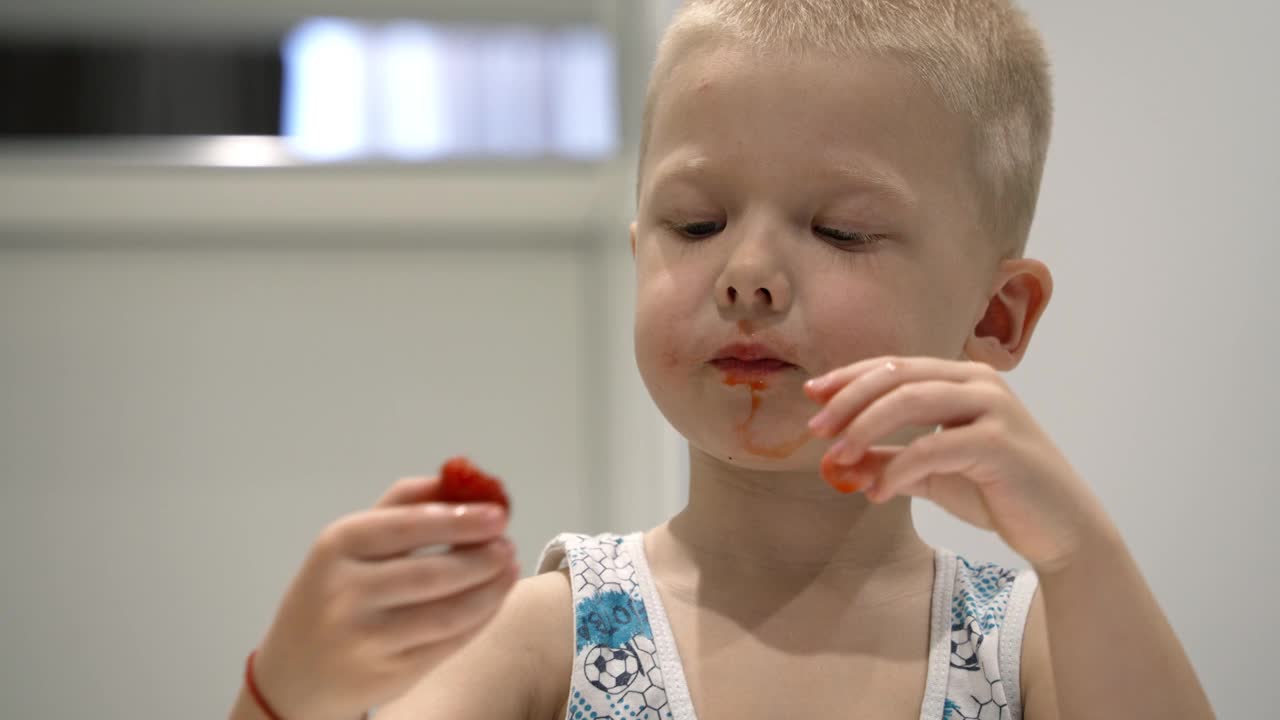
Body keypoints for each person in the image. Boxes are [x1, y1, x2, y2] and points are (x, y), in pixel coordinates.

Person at [229, 1, 1216, 718]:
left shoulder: (1029, 647)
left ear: (995, 316)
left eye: (839, 231)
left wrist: (1079, 553)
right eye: (695, 223)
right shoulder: (550, 632)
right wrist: (291, 693)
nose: (745, 275)